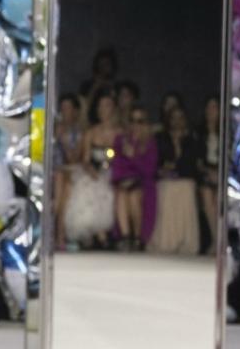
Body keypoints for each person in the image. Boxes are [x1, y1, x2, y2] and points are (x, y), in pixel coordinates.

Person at [62, 92, 119, 249]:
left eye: (107, 106)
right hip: (95, 171)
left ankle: (105, 235)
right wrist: (90, 170)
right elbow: (85, 159)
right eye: (100, 106)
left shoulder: (120, 132)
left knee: (107, 187)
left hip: (116, 171)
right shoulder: (91, 132)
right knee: (87, 186)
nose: (103, 109)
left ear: (113, 108)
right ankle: (94, 235)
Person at [151, 106, 201, 255]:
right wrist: (164, 169)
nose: (177, 121)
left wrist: (179, 146)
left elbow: (190, 164)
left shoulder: (191, 139)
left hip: (184, 178)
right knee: (166, 188)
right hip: (165, 179)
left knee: (186, 188)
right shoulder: (161, 138)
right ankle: (167, 240)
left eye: (180, 118)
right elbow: (158, 161)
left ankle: (185, 240)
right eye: (174, 118)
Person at [111, 105, 159, 250]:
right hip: (123, 181)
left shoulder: (150, 143)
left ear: (146, 123)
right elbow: (117, 165)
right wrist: (124, 180)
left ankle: (138, 238)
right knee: (121, 194)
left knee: (134, 195)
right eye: (132, 120)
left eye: (140, 121)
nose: (135, 125)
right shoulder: (120, 140)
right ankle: (125, 238)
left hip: (143, 182)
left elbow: (149, 171)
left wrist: (134, 156)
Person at [51, 92, 85, 250]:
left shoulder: (79, 132)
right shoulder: (51, 129)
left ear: (75, 111)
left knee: (66, 185)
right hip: (53, 171)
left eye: (68, 108)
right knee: (60, 181)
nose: (65, 112)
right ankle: (58, 235)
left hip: (70, 169)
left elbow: (74, 159)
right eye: (62, 108)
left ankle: (60, 235)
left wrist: (64, 142)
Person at [198, 95, 222, 253]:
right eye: (208, 107)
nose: (210, 111)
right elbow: (198, 161)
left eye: (214, 107)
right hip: (206, 173)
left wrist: (218, 173)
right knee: (207, 197)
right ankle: (215, 239)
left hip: (222, 174)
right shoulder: (200, 133)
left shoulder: (226, 132)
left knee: (219, 198)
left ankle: (220, 241)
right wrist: (208, 172)